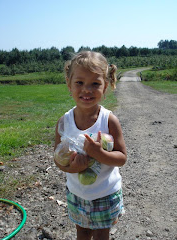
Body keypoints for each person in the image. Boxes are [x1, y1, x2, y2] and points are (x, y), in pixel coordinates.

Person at [54, 51, 127, 240]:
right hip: (77, 194)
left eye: (95, 84)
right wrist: (72, 168)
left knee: (102, 233)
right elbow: (58, 159)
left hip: (105, 193)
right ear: (69, 85)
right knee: (82, 232)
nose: (87, 89)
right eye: (79, 83)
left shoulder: (109, 120)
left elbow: (121, 158)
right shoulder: (64, 122)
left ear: (106, 87)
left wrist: (99, 153)